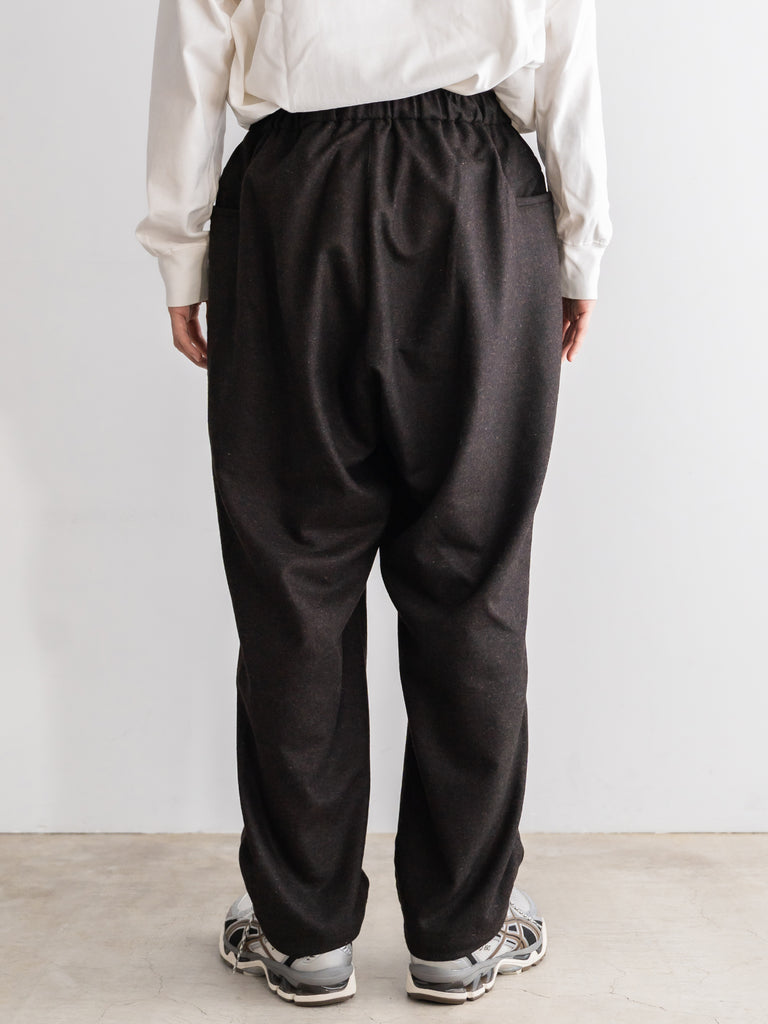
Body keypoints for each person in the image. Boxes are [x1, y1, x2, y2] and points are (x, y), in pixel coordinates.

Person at [135, 0, 612, 1007]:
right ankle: (462, 933)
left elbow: (194, 47)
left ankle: (303, 933)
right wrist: (581, 245)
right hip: (476, 201)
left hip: (294, 199)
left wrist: (181, 248)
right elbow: (565, 47)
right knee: (473, 579)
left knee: (294, 579)